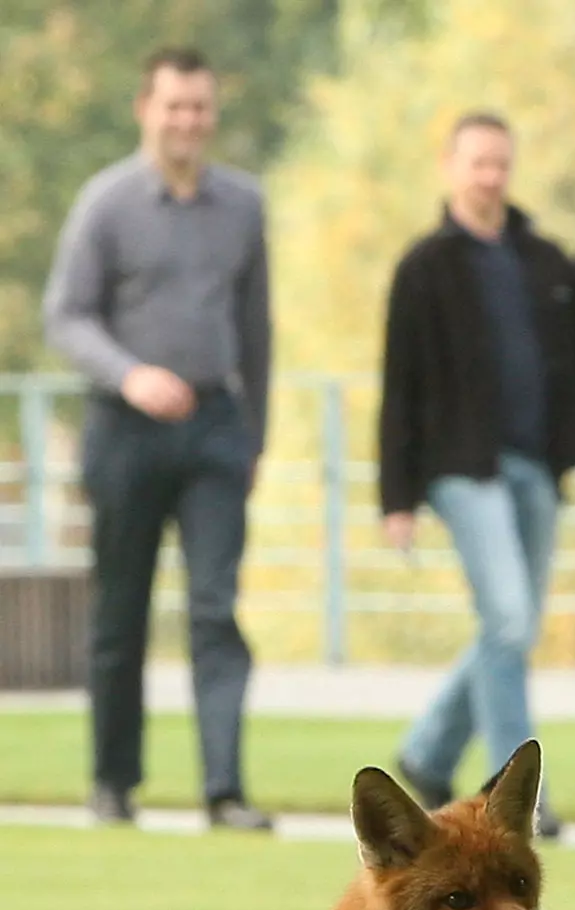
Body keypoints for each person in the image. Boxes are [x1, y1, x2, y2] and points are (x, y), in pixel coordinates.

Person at [378, 112, 575, 837]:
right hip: (460, 468)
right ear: (449, 166)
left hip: (536, 467)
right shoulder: (424, 267)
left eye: (500, 163)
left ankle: (428, 749)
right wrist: (395, 496)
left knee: (510, 627)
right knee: (507, 618)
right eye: (476, 163)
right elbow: (398, 384)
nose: (489, 176)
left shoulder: (549, 264)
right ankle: (513, 801)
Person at [43, 47, 273, 830]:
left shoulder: (244, 205)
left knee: (215, 609)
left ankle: (224, 789)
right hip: (124, 427)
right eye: (174, 106)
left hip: (215, 428)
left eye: (200, 107)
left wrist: (255, 439)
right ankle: (113, 782)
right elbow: (66, 315)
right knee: (121, 613)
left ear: (213, 114)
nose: (188, 121)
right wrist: (129, 373)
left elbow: (256, 329)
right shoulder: (105, 203)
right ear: (147, 108)